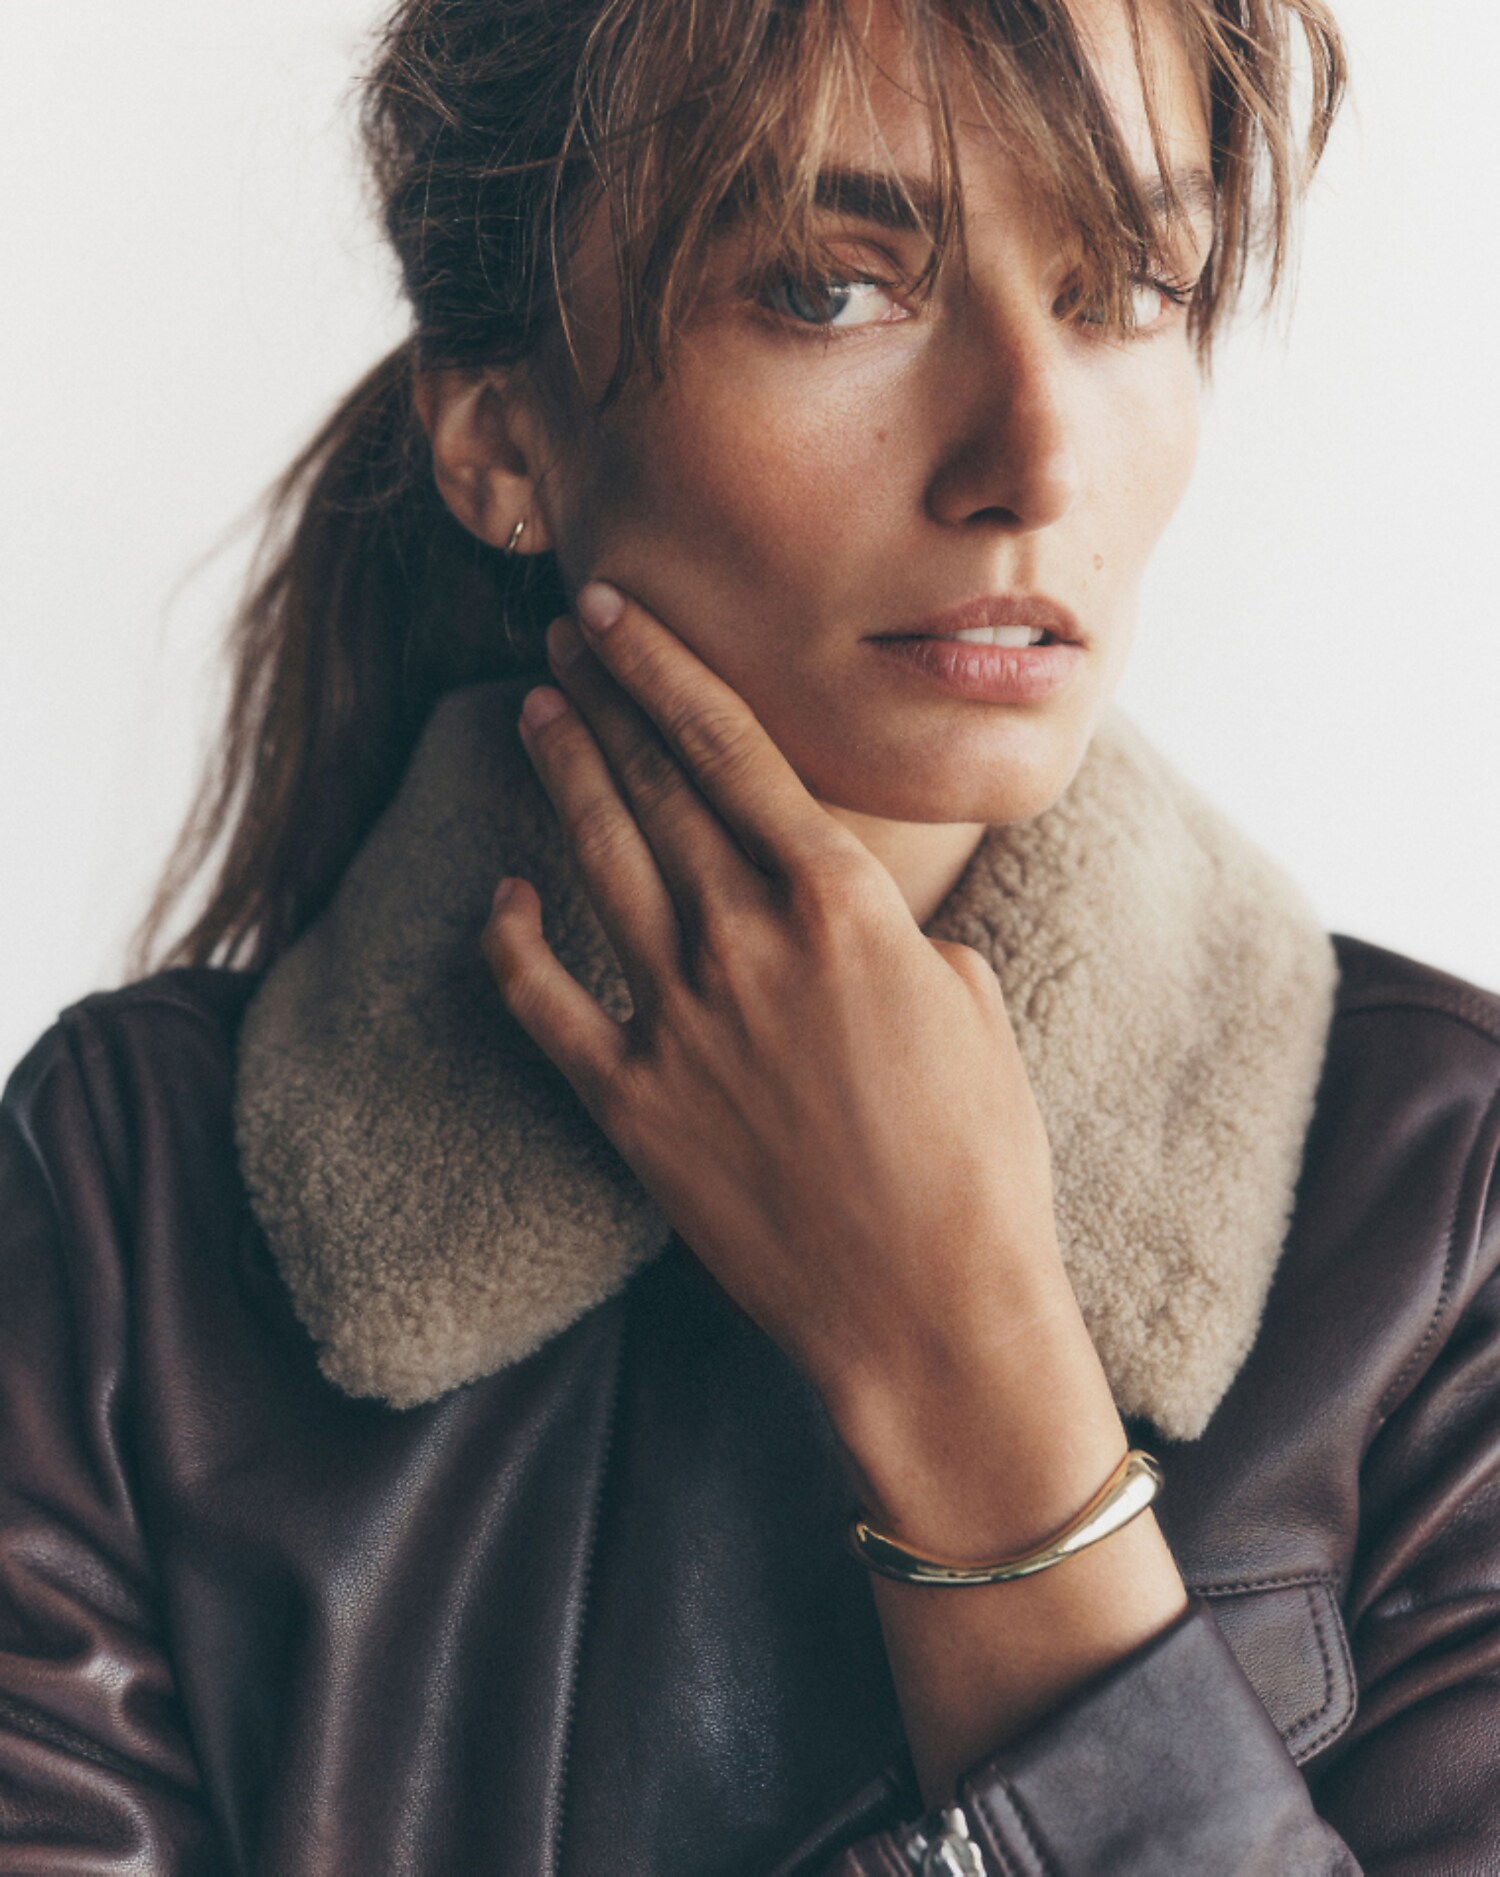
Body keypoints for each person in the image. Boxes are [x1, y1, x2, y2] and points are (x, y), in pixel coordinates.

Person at [2, 0, 1497, 1869]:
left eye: (1126, 288)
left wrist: (980, 1406)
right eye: (828, 286)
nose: (1031, 455)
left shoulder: (1438, 1210)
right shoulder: (121, 1208)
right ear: (496, 424)